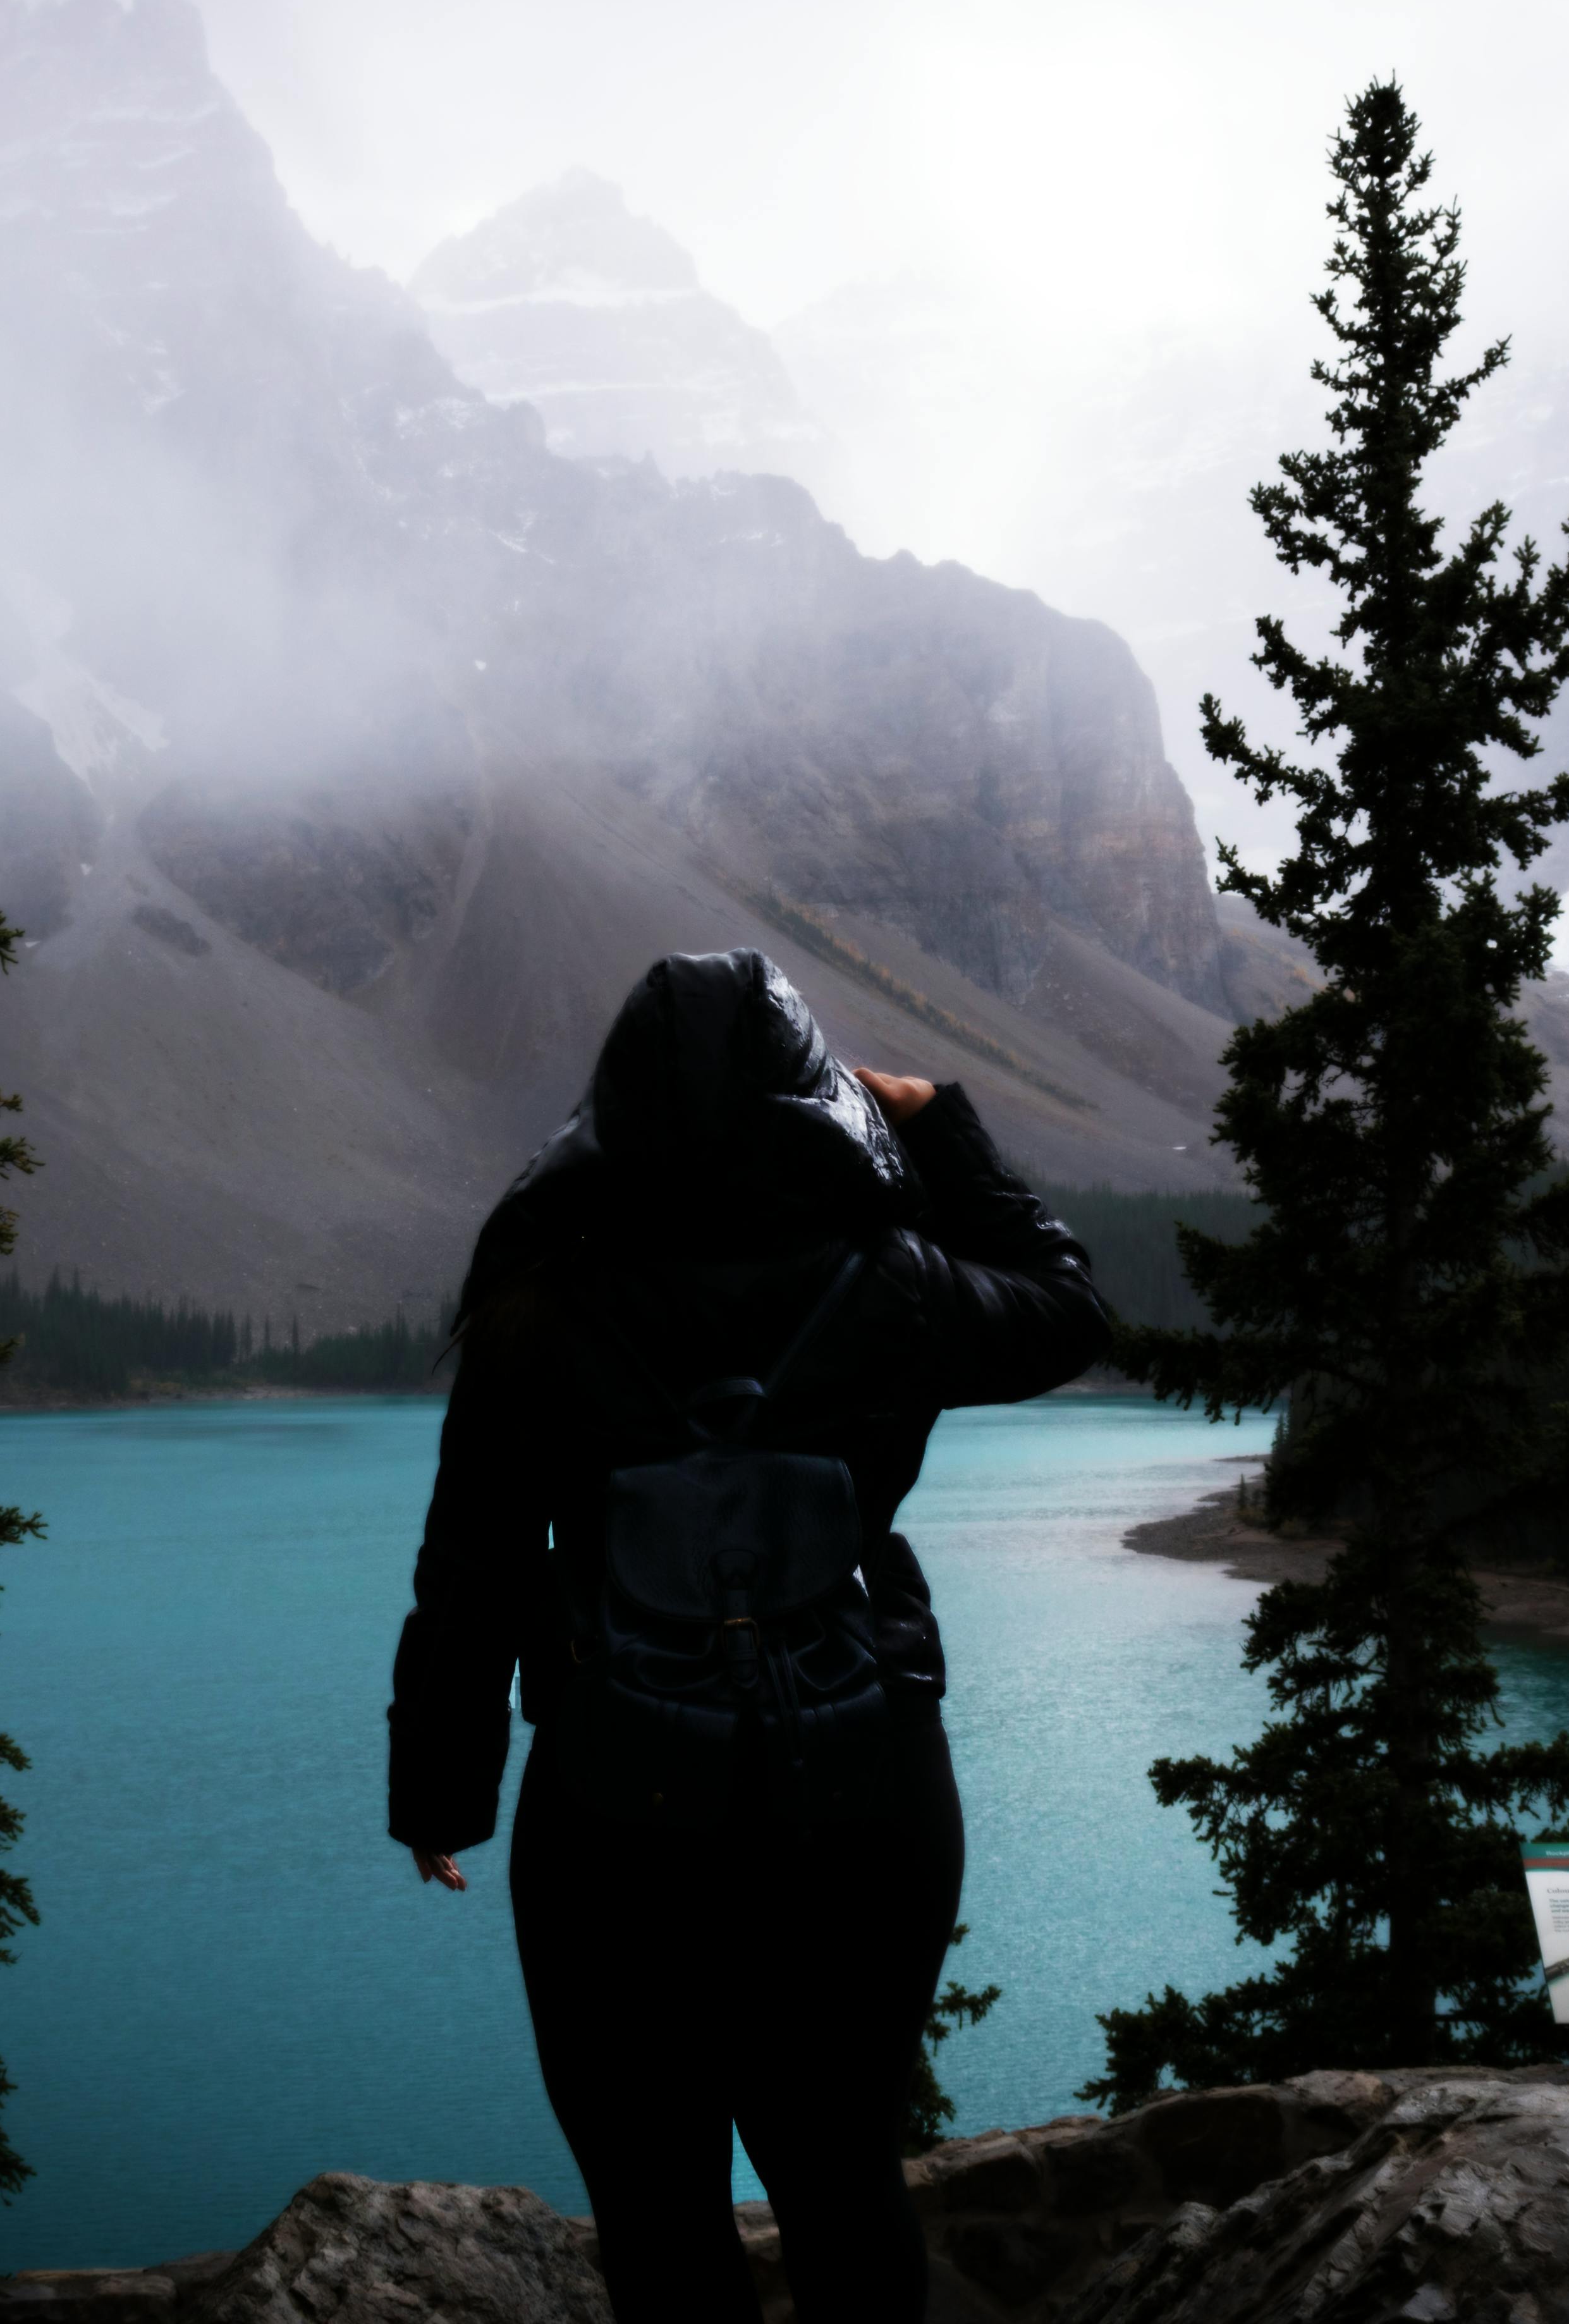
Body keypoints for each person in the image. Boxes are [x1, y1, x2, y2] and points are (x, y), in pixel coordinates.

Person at [387, 949, 1110, 2323]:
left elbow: (470, 1568)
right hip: (865, 1774)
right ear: (810, 1099)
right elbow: (1067, 1305)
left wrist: (440, 1790)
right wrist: (942, 1123)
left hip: (617, 1800)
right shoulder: (896, 1279)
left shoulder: (539, 1305)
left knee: (658, 2211)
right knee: (844, 2178)